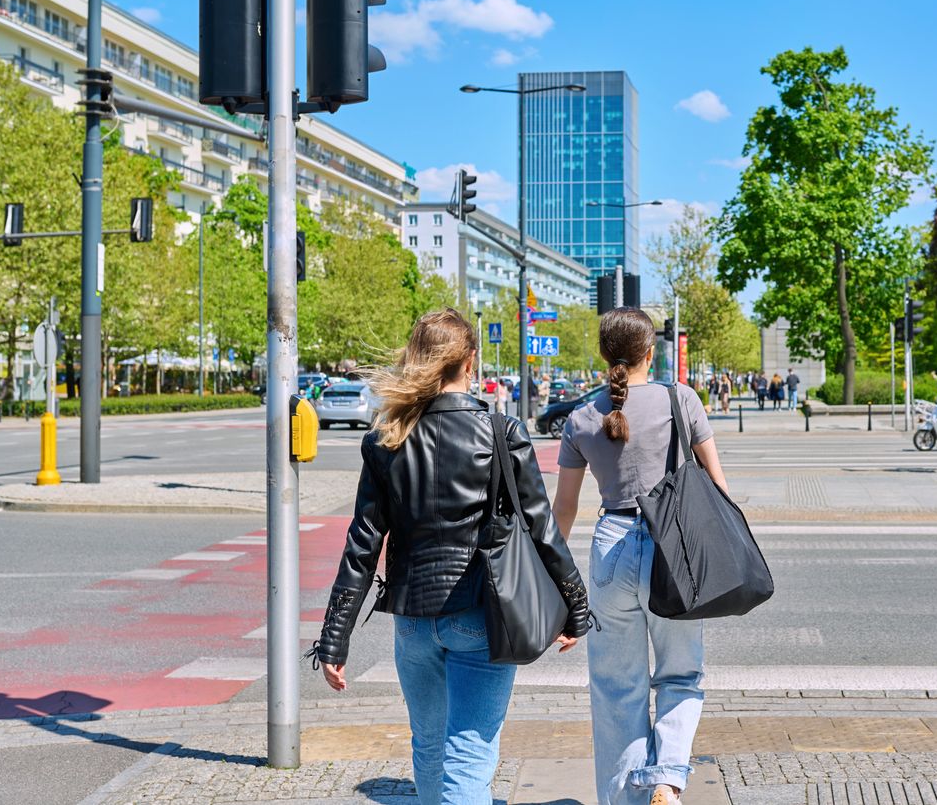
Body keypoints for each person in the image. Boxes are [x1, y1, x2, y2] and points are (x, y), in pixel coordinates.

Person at [310, 308, 590, 805]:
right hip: (481, 615)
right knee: (468, 754)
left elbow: (363, 544)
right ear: (470, 362)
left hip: (413, 622)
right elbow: (542, 529)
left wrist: (334, 639)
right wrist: (576, 607)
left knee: (431, 747)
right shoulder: (501, 433)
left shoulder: (386, 439)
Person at [552, 307, 731, 805]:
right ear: (651, 352)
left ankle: (626, 799)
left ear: (604, 355)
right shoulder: (682, 400)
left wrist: (553, 580)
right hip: (673, 550)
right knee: (680, 672)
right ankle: (668, 780)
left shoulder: (582, 417)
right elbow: (717, 485)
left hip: (610, 545)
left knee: (615, 687)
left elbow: (564, 509)